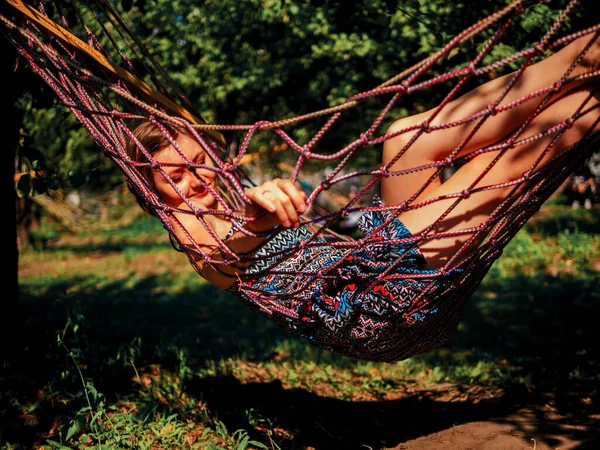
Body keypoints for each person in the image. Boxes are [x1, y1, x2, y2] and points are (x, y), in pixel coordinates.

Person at [125, 33, 599, 361]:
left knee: (408, 134)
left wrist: (252, 214)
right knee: (524, 146)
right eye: (173, 175)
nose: (194, 179)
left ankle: (580, 63)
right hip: (375, 303)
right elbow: (224, 248)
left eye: (197, 162)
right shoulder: (187, 228)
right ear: (151, 189)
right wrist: (255, 217)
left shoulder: (219, 201)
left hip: (372, 263)